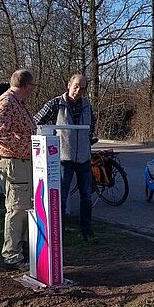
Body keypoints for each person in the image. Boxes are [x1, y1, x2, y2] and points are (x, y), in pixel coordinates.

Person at [34, 74, 97, 240]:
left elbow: (92, 126)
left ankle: (86, 230)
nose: (78, 91)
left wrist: (87, 142)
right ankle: (58, 233)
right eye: (76, 86)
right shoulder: (56, 104)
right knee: (60, 198)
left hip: (84, 158)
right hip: (63, 159)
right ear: (69, 84)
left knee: (86, 197)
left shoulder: (87, 105)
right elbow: (36, 121)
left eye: (82, 88)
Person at [0, 69, 37, 269]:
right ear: (26, 85)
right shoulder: (7, 103)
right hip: (13, 163)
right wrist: (28, 148)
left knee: (25, 206)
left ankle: (25, 249)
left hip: (22, 162)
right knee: (16, 209)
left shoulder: (18, 103)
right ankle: (12, 255)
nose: (33, 90)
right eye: (32, 86)